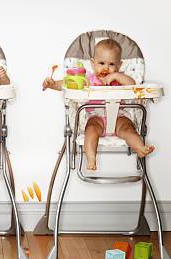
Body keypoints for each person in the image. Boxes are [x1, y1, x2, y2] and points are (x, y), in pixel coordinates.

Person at [43, 38, 154, 170]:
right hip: (96, 117)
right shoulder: (87, 79)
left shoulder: (121, 79)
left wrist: (117, 76)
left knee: (129, 130)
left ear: (119, 65)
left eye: (112, 64)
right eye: (101, 63)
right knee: (90, 130)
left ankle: (140, 148)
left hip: (120, 117)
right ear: (92, 63)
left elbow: (133, 85)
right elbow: (67, 84)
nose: (106, 68)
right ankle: (91, 159)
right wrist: (53, 84)